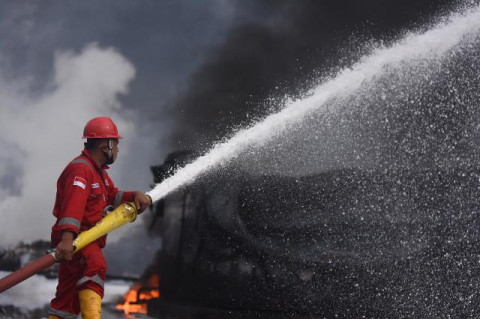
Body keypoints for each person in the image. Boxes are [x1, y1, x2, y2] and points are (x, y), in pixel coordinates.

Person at [47, 117, 151, 319]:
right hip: (79, 240)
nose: (118, 150)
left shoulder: (98, 173)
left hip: (80, 242)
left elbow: (112, 196)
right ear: (106, 146)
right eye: (116, 144)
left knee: (66, 301)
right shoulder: (81, 170)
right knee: (95, 265)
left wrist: (133, 196)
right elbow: (72, 206)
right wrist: (68, 239)